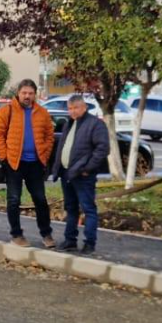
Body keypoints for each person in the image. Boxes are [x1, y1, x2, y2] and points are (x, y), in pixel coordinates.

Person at [0, 79, 55, 248]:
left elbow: (49, 135)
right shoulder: (7, 111)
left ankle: (46, 234)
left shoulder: (42, 113)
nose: (27, 96)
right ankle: (16, 235)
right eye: (24, 93)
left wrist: (45, 154)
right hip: (14, 163)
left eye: (30, 93)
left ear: (35, 94)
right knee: (13, 200)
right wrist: (4, 156)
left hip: (35, 164)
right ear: (18, 93)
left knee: (40, 200)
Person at [50, 95, 110, 253]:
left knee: (88, 208)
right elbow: (63, 147)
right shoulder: (69, 123)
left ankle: (90, 243)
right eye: (70, 108)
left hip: (83, 175)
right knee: (71, 208)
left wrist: (87, 168)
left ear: (84, 107)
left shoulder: (95, 124)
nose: (72, 111)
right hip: (67, 174)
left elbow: (103, 149)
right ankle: (70, 240)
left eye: (76, 107)